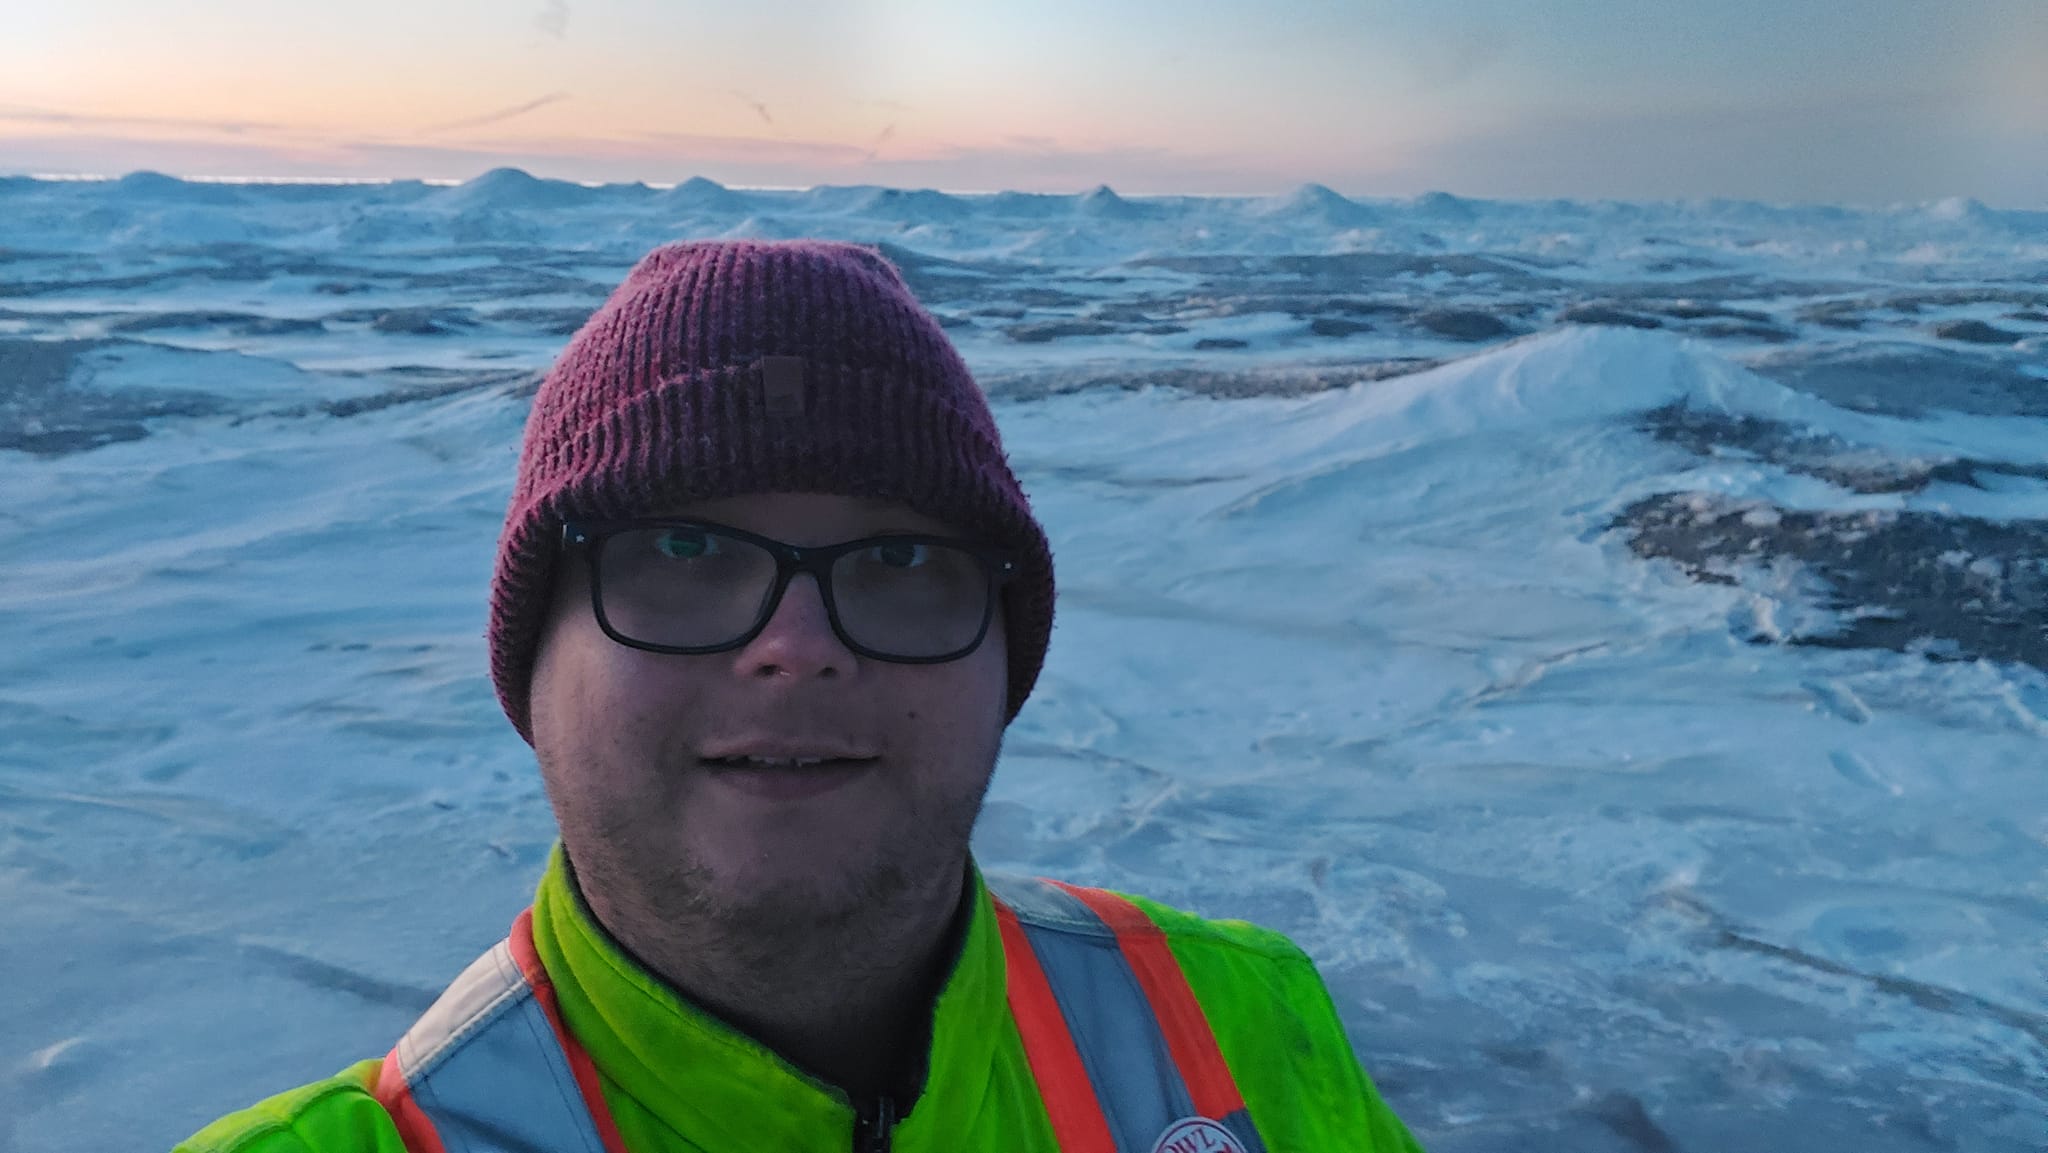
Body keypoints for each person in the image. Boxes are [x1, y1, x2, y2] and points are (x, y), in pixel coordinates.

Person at [176, 239, 1424, 1153]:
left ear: (1006, 656)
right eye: (679, 553)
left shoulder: (1233, 1026)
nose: (796, 645)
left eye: (898, 561)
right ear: (529, 659)